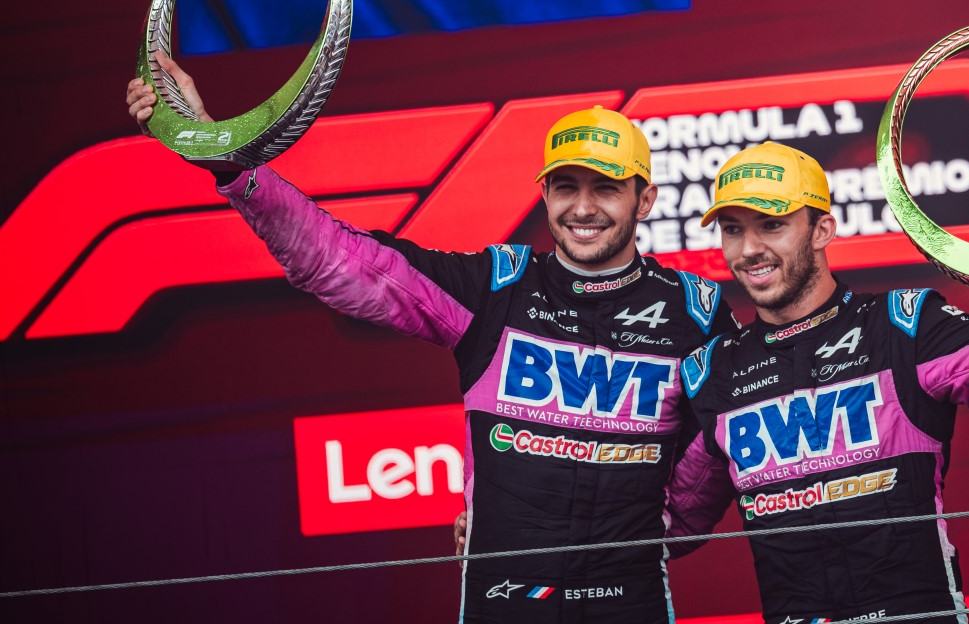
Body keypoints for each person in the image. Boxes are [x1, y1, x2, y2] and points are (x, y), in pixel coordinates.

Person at [126, 56, 738, 624]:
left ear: (645, 199)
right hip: (506, 604)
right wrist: (221, 154)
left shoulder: (696, 313)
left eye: (606, 187)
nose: (583, 207)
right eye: (565, 186)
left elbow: (728, 444)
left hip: (626, 603)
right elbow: (343, 261)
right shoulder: (495, 288)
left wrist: (663, 528)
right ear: (544, 191)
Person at [667, 141, 969, 624]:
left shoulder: (903, 325)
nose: (750, 249)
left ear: (822, 229)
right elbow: (673, 526)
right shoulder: (714, 372)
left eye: (772, 225)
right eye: (733, 230)